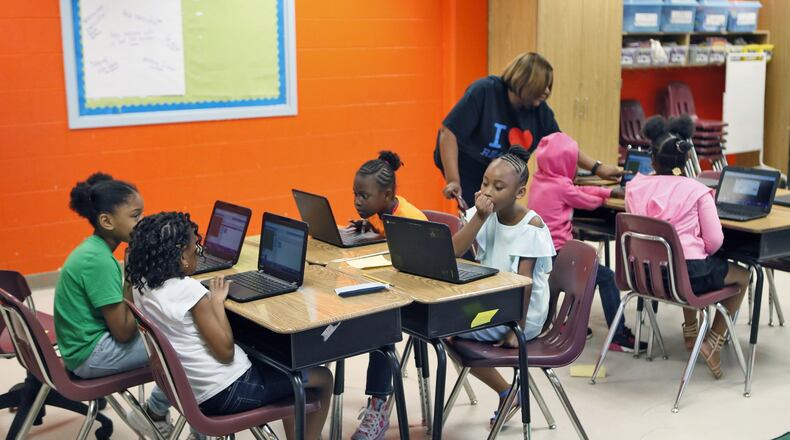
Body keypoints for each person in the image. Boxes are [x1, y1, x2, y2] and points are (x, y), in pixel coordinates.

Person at [127, 212, 333, 440]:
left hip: (187, 392)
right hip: (229, 391)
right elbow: (225, 352)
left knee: (281, 363)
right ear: (182, 258)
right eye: (197, 248)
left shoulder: (141, 286)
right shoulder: (189, 292)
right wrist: (215, 302)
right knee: (322, 377)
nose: (199, 254)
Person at [626, 115, 750, 378]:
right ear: (686, 161)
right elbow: (715, 242)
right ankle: (713, 341)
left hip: (644, 274)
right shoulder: (696, 191)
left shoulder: (634, 187)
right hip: (685, 277)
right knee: (742, 275)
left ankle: (691, 332)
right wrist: (698, 246)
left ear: (653, 160)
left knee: (678, 262)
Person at [53, 172, 173, 437]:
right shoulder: (99, 261)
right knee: (181, 342)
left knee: (169, 330)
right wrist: (130, 275)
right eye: (135, 216)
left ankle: (156, 411)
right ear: (107, 221)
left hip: (80, 348)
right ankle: (156, 414)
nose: (142, 223)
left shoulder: (93, 249)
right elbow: (123, 331)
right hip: (91, 356)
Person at [434, 51, 622, 208]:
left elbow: (563, 147)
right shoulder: (485, 91)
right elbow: (448, 132)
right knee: (479, 217)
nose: (547, 92)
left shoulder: (539, 111)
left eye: (549, 86)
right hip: (466, 164)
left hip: (498, 172)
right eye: (543, 86)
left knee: (500, 219)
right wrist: (453, 180)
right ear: (525, 81)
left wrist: (598, 168)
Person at [451, 146, 555, 423]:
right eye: (485, 183)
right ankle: (508, 391)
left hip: (520, 314)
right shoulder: (484, 213)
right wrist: (479, 218)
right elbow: (453, 253)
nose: (487, 192)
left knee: (447, 331)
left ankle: (507, 390)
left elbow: (525, 284)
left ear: (519, 193)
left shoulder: (531, 227)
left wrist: (517, 331)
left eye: (497, 187)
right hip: (493, 302)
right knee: (440, 324)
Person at [527, 132, 646, 352]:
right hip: (559, 255)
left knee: (583, 267)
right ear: (564, 162)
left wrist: (607, 191)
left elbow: (577, 190)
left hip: (544, 254)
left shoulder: (541, 179)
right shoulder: (561, 186)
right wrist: (611, 193)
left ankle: (568, 323)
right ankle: (618, 336)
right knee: (607, 278)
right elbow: (586, 200)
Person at [348, 150, 428, 440]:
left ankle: (378, 408)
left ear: (388, 194)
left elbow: (420, 269)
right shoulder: (382, 213)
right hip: (392, 290)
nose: (357, 201)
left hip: (422, 299)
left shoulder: (409, 219)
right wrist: (366, 228)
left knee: (378, 327)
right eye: (355, 194)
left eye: (363, 196)